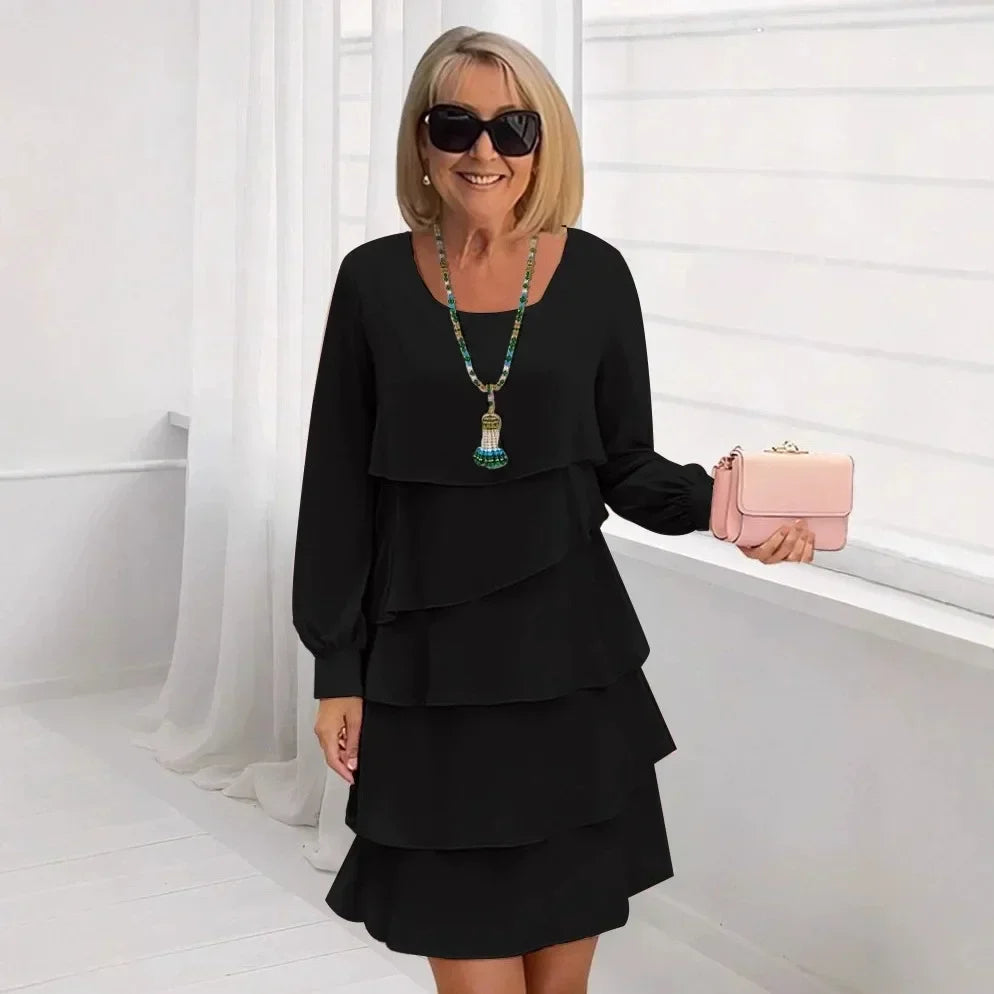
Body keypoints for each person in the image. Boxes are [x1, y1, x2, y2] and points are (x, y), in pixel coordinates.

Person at [292, 25, 815, 994]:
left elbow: (624, 463)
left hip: (568, 664)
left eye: (513, 126)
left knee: (560, 984)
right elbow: (336, 489)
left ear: (546, 142)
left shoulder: (597, 275)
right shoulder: (371, 281)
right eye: (456, 123)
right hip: (428, 671)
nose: (483, 150)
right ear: (421, 139)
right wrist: (336, 667)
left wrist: (734, 510)